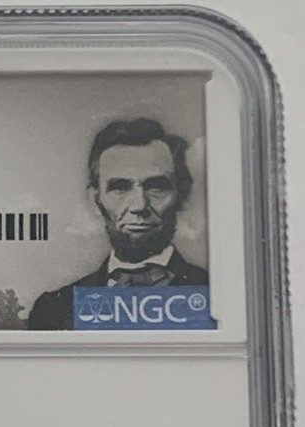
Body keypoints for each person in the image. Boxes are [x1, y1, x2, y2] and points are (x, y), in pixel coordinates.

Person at [28, 118, 208, 330]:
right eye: (120, 188)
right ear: (95, 200)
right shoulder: (54, 310)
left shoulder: (216, 294)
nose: (139, 206)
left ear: (182, 195)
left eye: (157, 187)